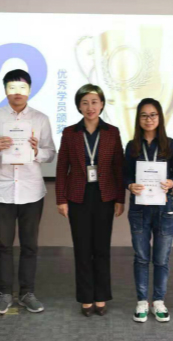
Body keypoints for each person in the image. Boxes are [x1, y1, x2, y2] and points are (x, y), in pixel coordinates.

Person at [0, 69, 56, 315]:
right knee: (3, 245)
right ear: (5, 90)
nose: (17, 92)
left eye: (22, 87)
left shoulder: (40, 119)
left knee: (30, 245)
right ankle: (4, 294)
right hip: (2, 190)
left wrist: (36, 151)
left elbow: (50, 153)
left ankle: (27, 293)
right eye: (12, 87)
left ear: (29, 90)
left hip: (31, 191)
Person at [55, 84, 125, 317]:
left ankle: (101, 295)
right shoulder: (70, 133)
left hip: (105, 196)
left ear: (102, 104)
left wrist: (120, 199)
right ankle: (86, 297)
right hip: (78, 197)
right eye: (84, 103)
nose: (90, 107)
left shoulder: (112, 132)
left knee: (102, 248)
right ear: (78, 106)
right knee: (82, 248)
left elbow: (118, 167)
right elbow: (62, 168)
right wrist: (61, 199)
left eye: (94, 102)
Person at [124, 98, 173, 323]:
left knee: (161, 259)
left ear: (160, 117)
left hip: (164, 208)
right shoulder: (132, 146)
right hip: (139, 209)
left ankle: (158, 301)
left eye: (153, 115)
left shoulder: (170, 144)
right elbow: (125, 174)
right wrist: (130, 185)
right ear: (138, 119)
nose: (149, 119)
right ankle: (142, 301)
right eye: (144, 115)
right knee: (141, 258)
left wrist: (172, 182)